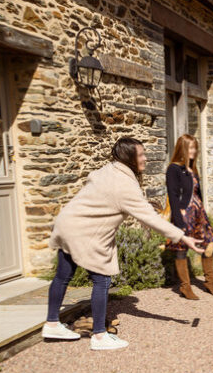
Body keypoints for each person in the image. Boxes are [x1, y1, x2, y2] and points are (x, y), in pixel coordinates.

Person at [43, 137, 204, 351]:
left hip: (67, 224)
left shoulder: (108, 170)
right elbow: (150, 218)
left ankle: (52, 323)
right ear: (129, 158)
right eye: (141, 155)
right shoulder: (125, 184)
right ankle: (100, 336)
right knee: (102, 279)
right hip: (85, 233)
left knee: (63, 275)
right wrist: (182, 237)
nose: (145, 158)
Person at [165, 134, 213, 299]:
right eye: (190, 147)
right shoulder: (174, 169)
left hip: (198, 213)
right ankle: (185, 287)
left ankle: (209, 281)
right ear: (182, 148)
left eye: (195, 147)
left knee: (209, 243)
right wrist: (179, 221)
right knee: (182, 250)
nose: (194, 151)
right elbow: (173, 196)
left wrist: (203, 213)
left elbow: (197, 193)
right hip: (184, 213)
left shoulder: (193, 168)